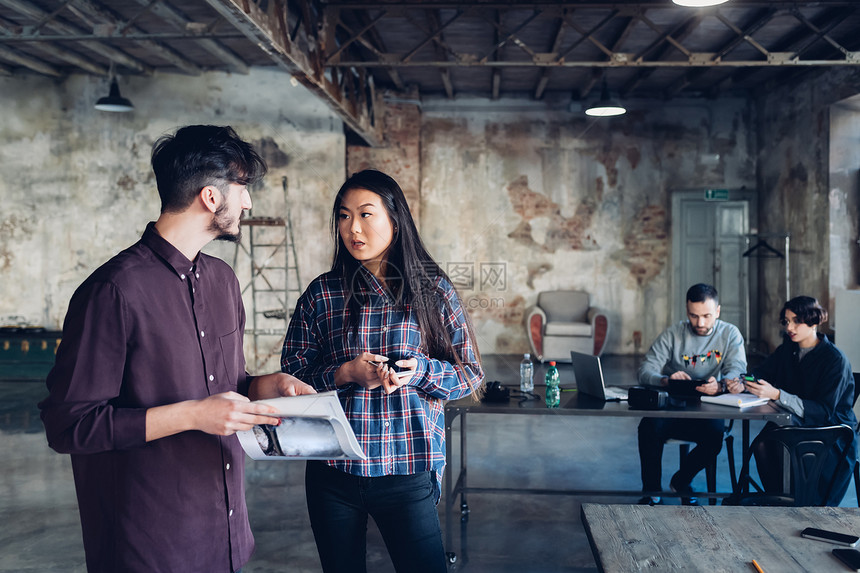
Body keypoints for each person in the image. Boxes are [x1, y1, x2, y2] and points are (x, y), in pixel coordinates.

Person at [38, 125, 315, 573]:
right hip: (150, 543)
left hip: (223, 534)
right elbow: (69, 425)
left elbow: (229, 386)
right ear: (210, 196)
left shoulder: (224, 282)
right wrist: (192, 415)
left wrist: (268, 385)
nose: (248, 202)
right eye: (242, 188)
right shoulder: (113, 290)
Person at [281, 169, 484, 573]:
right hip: (332, 471)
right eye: (343, 215)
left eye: (365, 214)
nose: (352, 227)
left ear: (395, 219)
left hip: (405, 468)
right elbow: (292, 374)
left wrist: (420, 371)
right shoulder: (323, 292)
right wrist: (345, 374)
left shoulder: (433, 290)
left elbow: (470, 373)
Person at [729, 296, 857, 505]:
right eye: (787, 321)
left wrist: (777, 395)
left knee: (780, 442)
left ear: (814, 322)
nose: (790, 327)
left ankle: (795, 500)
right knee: (762, 443)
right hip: (794, 419)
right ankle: (780, 498)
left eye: (796, 321)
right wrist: (743, 382)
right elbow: (762, 372)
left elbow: (824, 410)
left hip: (830, 430)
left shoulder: (835, 359)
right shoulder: (788, 349)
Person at [637, 283, 747, 505]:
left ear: (718, 311)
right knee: (647, 427)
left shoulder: (729, 333)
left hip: (709, 407)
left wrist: (723, 385)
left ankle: (681, 480)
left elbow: (738, 371)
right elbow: (645, 370)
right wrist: (665, 380)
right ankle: (651, 491)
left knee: (715, 438)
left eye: (707, 316)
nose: (700, 323)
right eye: (693, 316)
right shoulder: (673, 333)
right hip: (672, 405)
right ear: (686, 311)